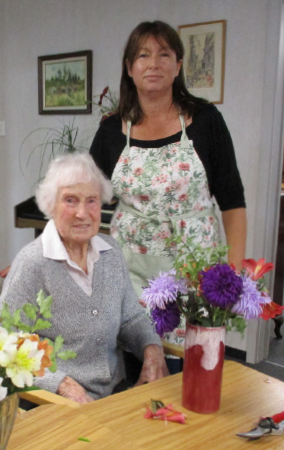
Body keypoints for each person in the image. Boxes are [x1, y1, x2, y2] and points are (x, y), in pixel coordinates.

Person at [89, 21, 247, 343]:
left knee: (191, 363)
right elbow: (83, 199)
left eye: (164, 54)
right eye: (143, 55)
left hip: (195, 270)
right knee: (134, 358)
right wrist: (43, 254)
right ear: (130, 68)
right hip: (129, 271)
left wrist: (232, 277)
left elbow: (232, 202)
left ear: (177, 66)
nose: (153, 63)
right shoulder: (111, 130)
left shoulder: (206, 121)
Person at [0, 153, 168, 404]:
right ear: (50, 206)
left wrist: (153, 351)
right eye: (70, 201)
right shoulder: (33, 263)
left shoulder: (111, 252)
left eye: (91, 201)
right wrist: (62, 385)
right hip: (55, 404)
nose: (82, 213)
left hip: (114, 396)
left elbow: (131, 317)